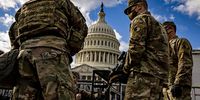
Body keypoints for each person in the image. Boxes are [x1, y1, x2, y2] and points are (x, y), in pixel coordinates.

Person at [9, 0, 88, 99]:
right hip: (52, 51)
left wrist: (19, 48)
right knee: (59, 94)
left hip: (24, 55)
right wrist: (69, 48)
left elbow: (13, 30)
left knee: (23, 96)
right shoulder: (62, 2)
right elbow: (81, 26)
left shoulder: (24, 8)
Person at [122, 0, 169, 99]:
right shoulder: (160, 26)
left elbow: (135, 49)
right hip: (158, 79)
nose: (129, 15)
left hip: (142, 77)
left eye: (130, 9)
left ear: (139, 6)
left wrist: (124, 69)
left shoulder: (140, 19)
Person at [162, 21, 193, 100]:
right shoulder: (164, 47)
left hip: (178, 88)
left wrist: (178, 83)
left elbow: (185, 63)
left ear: (170, 29)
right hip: (166, 88)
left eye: (163, 30)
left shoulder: (180, 42)